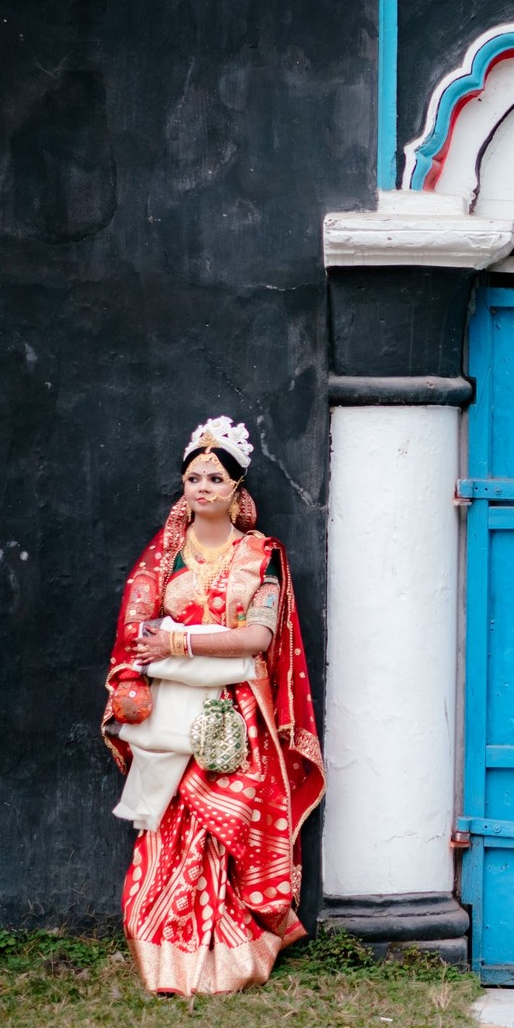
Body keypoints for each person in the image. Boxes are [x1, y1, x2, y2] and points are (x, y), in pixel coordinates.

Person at [102, 416, 325, 995]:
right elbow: (135, 634)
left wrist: (179, 641)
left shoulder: (261, 555)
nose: (203, 488)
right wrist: (137, 671)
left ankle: (232, 951)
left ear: (236, 488)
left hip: (238, 712)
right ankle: (164, 949)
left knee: (229, 823)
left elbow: (258, 638)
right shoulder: (163, 557)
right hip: (171, 713)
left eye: (216, 479)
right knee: (175, 817)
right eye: (194, 478)